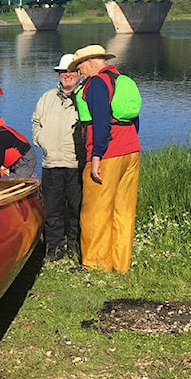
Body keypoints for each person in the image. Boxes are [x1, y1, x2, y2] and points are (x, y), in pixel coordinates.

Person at [67, 44, 141, 273]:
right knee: (124, 209)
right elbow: (135, 119)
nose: (79, 72)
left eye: (80, 67)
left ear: (91, 62)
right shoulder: (122, 80)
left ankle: (94, 264)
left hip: (107, 153)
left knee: (95, 209)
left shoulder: (97, 83)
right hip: (131, 150)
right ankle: (120, 263)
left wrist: (97, 155)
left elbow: (101, 121)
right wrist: (129, 145)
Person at [32, 54, 84, 262]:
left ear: (79, 73)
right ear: (59, 74)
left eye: (71, 71)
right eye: (64, 71)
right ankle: (54, 249)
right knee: (52, 210)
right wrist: (40, 140)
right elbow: (35, 121)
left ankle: (75, 245)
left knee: (76, 208)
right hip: (51, 163)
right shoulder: (47, 97)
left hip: (75, 163)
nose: (68, 75)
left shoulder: (84, 97)